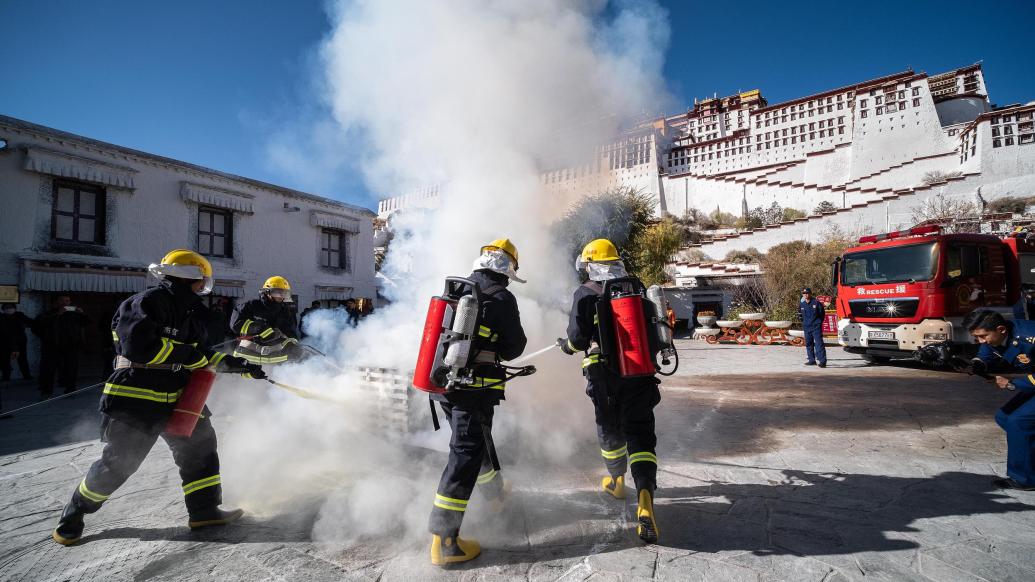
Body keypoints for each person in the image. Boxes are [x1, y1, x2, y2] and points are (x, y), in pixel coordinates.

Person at [51, 249, 266, 546]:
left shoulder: (191, 312)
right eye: (201, 279)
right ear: (192, 277)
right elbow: (139, 348)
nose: (204, 284)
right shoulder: (144, 303)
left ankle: (204, 511)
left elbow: (202, 355)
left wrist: (239, 366)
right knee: (118, 464)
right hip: (137, 396)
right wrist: (190, 356)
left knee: (201, 452)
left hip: (181, 395)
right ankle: (73, 515)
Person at [428, 238, 527, 566]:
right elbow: (514, 347)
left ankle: (494, 494)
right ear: (508, 268)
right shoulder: (501, 297)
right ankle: (445, 542)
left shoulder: (459, 288)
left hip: (443, 385)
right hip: (474, 389)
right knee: (465, 455)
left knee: (473, 444)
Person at [558, 238, 661, 544]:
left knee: (609, 427)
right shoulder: (636, 289)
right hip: (639, 371)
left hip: (603, 375)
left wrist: (566, 346)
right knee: (640, 433)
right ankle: (645, 500)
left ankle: (616, 481)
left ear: (589, 265)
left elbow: (576, 339)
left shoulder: (586, 292)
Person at [964, 309, 1035, 490]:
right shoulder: (997, 335)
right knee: (1004, 417)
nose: (981, 341)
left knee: (1019, 422)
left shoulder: (1030, 337)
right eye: (976, 337)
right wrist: (977, 363)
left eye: (983, 336)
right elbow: (987, 351)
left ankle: (1024, 479)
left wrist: (1012, 384)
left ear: (1001, 329)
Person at [230, 277, 301, 365]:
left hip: (273, 358)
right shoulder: (250, 306)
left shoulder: (285, 312)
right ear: (267, 292)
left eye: (284, 293)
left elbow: (290, 333)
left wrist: (293, 346)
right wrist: (261, 329)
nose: (281, 296)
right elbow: (235, 324)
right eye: (277, 293)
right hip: (247, 355)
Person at [35, 295, 90, 399]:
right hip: (52, 347)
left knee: (71, 369)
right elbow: (38, 325)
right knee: (48, 370)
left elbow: (87, 322)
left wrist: (82, 313)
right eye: (63, 301)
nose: (66, 303)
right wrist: (57, 315)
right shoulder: (48, 313)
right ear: (57, 302)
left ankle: (70, 391)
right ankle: (46, 392)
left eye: (68, 301)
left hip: (70, 346)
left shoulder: (74, 314)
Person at [1, 303, 34, 382]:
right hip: (6, 340)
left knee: (22, 358)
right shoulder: (1, 317)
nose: (9, 309)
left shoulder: (19, 315)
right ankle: (6, 377)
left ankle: (27, 376)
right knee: (4, 359)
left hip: (20, 340)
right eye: (6, 308)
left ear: (15, 308)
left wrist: (24, 325)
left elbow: (31, 322)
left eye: (10, 307)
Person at [799, 287, 827, 368]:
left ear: (810, 294)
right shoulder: (802, 304)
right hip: (807, 327)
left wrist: (818, 323)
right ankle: (812, 360)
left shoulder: (816, 303)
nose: (805, 295)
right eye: (804, 293)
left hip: (816, 327)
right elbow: (800, 316)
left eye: (807, 293)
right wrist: (804, 323)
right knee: (808, 344)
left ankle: (822, 361)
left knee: (819, 344)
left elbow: (822, 314)